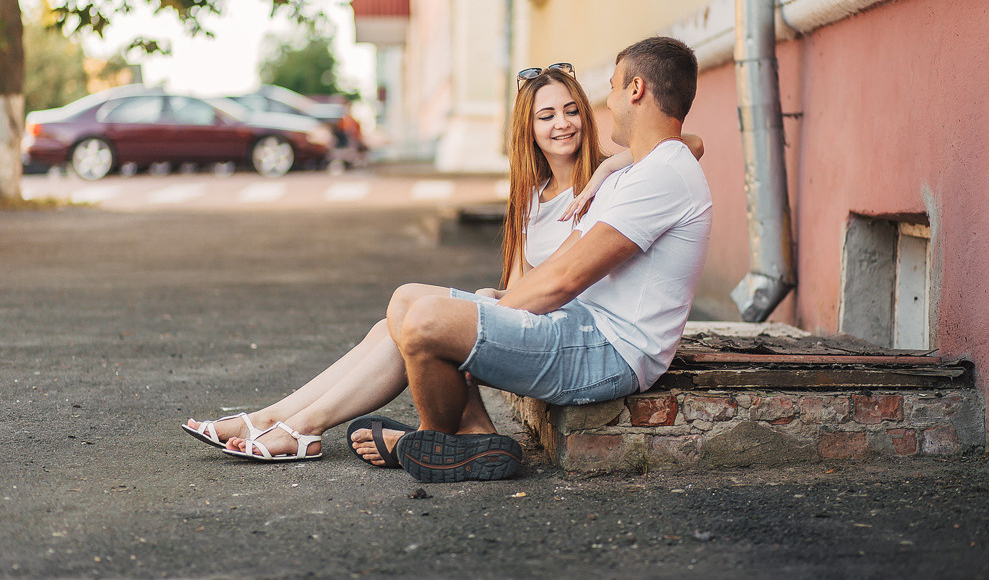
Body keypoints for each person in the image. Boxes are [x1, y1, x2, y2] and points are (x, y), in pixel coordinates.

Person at [182, 62, 701, 463]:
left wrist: (610, 163)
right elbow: (522, 285)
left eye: (571, 111)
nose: (563, 124)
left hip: (579, 330)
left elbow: (684, 144)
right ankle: (275, 418)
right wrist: (490, 303)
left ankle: (304, 428)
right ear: (529, 129)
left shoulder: (618, 177)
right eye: (547, 115)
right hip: (548, 322)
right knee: (403, 310)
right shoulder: (531, 198)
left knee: (416, 310)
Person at [385, 36, 712, 483]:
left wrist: (488, 315)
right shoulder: (648, 167)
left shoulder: (660, 177)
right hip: (582, 325)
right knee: (406, 300)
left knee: (427, 320)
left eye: (614, 87)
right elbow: (685, 143)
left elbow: (564, 281)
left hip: (610, 351)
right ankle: (463, 440)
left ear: (636, 90)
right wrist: (609, 168)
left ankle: (433, 439)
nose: (609, 102)